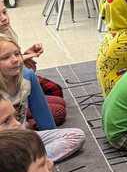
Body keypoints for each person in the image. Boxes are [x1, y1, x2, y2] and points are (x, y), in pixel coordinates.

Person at [0, 34, 84, 164]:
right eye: (5, 57)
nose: (15, 60)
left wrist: (50, 136)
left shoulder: (27, 76)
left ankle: (24, 164)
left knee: (76, 135)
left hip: (22, 138)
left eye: (17, 54)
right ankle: (23, 165)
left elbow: (44, 118)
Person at [0, 0, 66, 125]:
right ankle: (28, 124)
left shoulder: (7, 32)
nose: (4, 19)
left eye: (4, 12)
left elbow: (12, 63)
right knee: (58, 111)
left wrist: (23, 56)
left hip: (16, 82)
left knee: (56, 92)